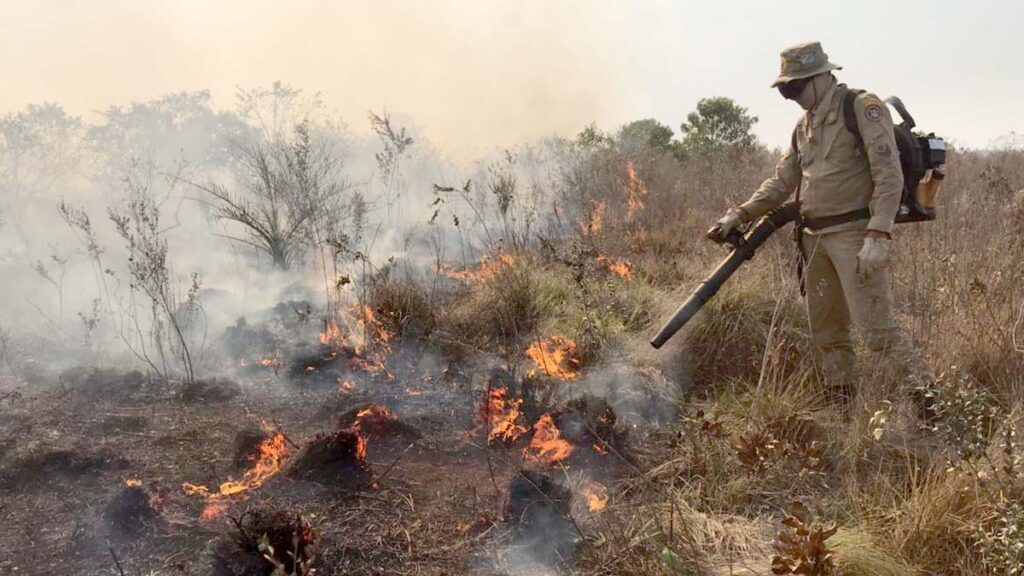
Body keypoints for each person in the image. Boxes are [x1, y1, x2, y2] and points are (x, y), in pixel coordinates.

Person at [706, 41, 934, 403]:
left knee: (879, 333)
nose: (793, 97)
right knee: (827, 333)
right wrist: (740, 214)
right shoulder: (803, 126)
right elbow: (781, 182)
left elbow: (888, 173)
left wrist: (879, 232)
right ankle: (842, 403)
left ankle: (931, 407)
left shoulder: (861, 107)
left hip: (855, 237)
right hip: (813, 240)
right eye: (786, 91)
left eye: (797, 87)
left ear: (822, 76)